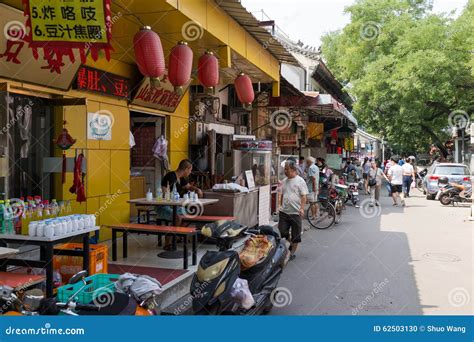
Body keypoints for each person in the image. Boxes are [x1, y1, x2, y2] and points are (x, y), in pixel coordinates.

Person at [158, 159, 203, 250]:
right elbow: (164, 193)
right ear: (186, 169)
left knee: (190, 214)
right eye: (190, 170)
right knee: (178, 217)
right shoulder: (170, 176)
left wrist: (197, 190)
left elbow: (189, 187)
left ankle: (177, 234)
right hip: (163, 206)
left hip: (175, 206)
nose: (190, 172)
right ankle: (168, 241)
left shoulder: (181, 178)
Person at [278, 160, 308, 261]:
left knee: (296, 235)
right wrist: (279, 205)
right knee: (282, 231)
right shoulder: (284, 181)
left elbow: (304, 196)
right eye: (284, 169)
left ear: (294, 169)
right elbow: (281, 194)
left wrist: (302, 209)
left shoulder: (300, 181)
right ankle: (289, 243)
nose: (285, 171)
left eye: (287, 169)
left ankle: (291, 253)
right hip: (284, 212)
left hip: (296, 213)